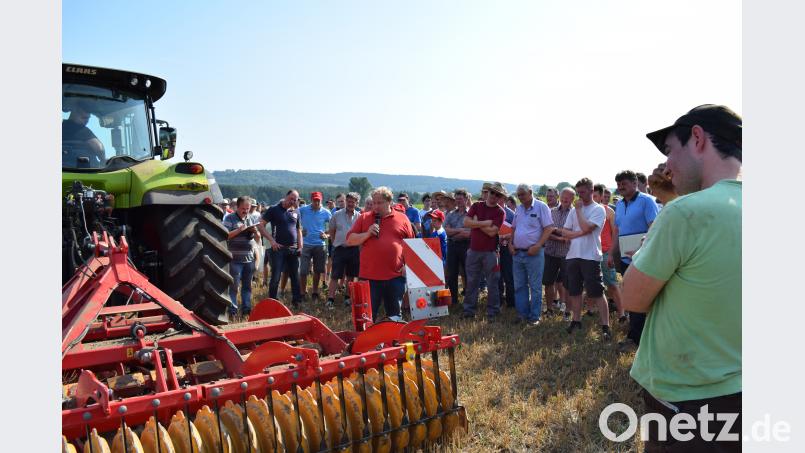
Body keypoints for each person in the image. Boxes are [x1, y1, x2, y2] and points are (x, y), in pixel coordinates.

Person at [624, 104, 742, 450]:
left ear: (697, 138)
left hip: (687, 399)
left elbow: (632, 299)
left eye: (670, 150)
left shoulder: (684, 212)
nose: (668, 166)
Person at [346, 187, 415, 321]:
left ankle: (393, 341)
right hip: (369, 277)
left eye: (380, 203)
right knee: (366, 316)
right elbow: (350, 240)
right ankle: (368, 341)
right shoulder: (364, 218)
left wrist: (408, 265)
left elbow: (411, 245)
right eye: (374, 203)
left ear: (389, 202)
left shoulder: (402, 219)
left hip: (395, 277)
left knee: (394, 316)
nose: (375, 206)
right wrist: (367, 234)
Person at [609, 170, 660, 348]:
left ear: (635, 183)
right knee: (631, 296)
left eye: (624, 183)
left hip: (644, 259)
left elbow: (654, 228)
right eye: (618, 184)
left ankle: (639, 338)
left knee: (643, 298)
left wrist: (641, 249)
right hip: (625, 259)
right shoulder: (620, 205)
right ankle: (636, 336)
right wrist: (611, 253)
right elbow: (617, 231)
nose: (620, 187)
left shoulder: (647, 201)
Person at [561, 178, 611, 341]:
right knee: (574, 291)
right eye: (578, 192)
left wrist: (579, 212)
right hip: (573, 255)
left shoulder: (599, 209)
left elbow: (587, 228)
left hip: (590, 256)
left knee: (596, 291)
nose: (579, 195)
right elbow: (564, 232)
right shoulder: (574, 210)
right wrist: (577, 233)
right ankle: (576, 321)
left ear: (591, 191)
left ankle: (605, 325)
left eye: (582, 192)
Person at [509, 184, 554, 325]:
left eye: (523, 194)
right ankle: (522, 314)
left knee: (535, 286)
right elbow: (514, 227)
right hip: (517, 253)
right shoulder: (519, 208)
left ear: (530, 192)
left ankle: (535, 316)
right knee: (519, 286)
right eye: (518, 195)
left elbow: (549, 228)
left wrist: (538, 245)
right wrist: (510, 243)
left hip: (534, 253)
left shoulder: (542, 207)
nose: (520, 197)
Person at [461, 182, 506, 321]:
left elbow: (493, 233)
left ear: (500, 197)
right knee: (472, 282)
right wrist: (485, 222)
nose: (494, 196)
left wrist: (477, 222)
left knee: (493, 283)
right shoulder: (476, 205)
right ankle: (469, 311)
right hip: (473, 251)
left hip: (490, 252)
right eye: (492, 192)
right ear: (488, 192)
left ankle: (493, 312)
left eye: (498, 195)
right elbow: (466, 223)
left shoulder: (500, 212)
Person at [259, 190, 303, 307]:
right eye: (291, 199)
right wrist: (272, 241)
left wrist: (300, 246)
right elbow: (261, 225)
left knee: (295, 276)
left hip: (293, 249)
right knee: (276, 277)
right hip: (278, 249)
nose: (292, 202)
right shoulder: (274, 209)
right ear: (285, 197)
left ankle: (297, 301)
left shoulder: (296, 211)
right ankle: (272, 302)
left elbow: (298, 230)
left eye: (295, 200)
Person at [593, 184, 626, 323]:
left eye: (595, 195)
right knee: (592, 284)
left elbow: (614, 234)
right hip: (591, 253)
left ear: (601, 196)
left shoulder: (609, 212)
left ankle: (622, 314)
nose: (593, 198)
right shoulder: (584, 211)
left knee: (612, 284)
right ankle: (590, 310)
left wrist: (612, 253)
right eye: (591, 195)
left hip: (605, 252)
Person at [223, 196, 259, 316]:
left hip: (249, 259)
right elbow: (225, 236)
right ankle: (233, 310)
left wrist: (255, 232)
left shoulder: (252, 218)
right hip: (235, 260)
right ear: (237, 207)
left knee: (247, 287)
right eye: (243, 208)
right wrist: (240, 230)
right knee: (234, 287)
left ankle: (246, 309)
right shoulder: (229, 218)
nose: (245, 211)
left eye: (247, 208)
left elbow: (257, 239)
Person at [543, 187, 574, 318]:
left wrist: (556, 231)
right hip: (550, 252)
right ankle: (549, 309)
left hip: (567, 254)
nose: (565, 199)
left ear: (573, 198)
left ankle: (567, 311)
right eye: (563, 197)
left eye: (568, 197)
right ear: (559, 197)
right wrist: (560, 237)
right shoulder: (551, 212)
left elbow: (572, 235)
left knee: (568, 284)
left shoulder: (575, 214)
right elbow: (546, 231)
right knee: (548, 282)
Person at [298, 192, 332, 301]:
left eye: (318, 200)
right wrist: (298, 231)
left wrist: (327, 234)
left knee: (317, 270)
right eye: (314, 200)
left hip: (319, 245)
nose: (316, 202)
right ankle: (302, 293)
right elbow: (292, 220)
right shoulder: (303, 210)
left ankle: (315, 292)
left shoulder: (326, 212)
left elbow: (334, 227)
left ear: (321, 200)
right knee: (303, 271)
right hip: (305, 244)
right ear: (311, 200)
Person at [444, 189, 471, 306]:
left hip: (466, 246)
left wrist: (453, 231)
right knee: (452, 274)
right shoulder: (450, 214)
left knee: (467, 273)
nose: (458, 201)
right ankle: (453, 300)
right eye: (457, 199)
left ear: (466, 199)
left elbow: (468, 233)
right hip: (452, 247)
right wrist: (460, 230)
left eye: (460, 199)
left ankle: (468, 299)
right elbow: (446, 231)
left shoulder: (471, 214)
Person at [62, 101, 105, 167]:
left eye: (88, 118)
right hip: (84, 171)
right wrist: (103, 162)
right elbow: (99, 149)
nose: (86, 121)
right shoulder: (81, 129)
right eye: (84, 117)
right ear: (74, 114)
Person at [497, 193, 516, 309]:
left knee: (509, 276)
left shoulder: (511, 214)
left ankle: (511, 302)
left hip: (507, 248)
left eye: (500, 197)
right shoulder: (491, 213)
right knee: (497, 276)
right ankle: (498, 300)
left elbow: (516, 231)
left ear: (504, 198)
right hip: (494, 249)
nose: (497, 199)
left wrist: (503, 237)